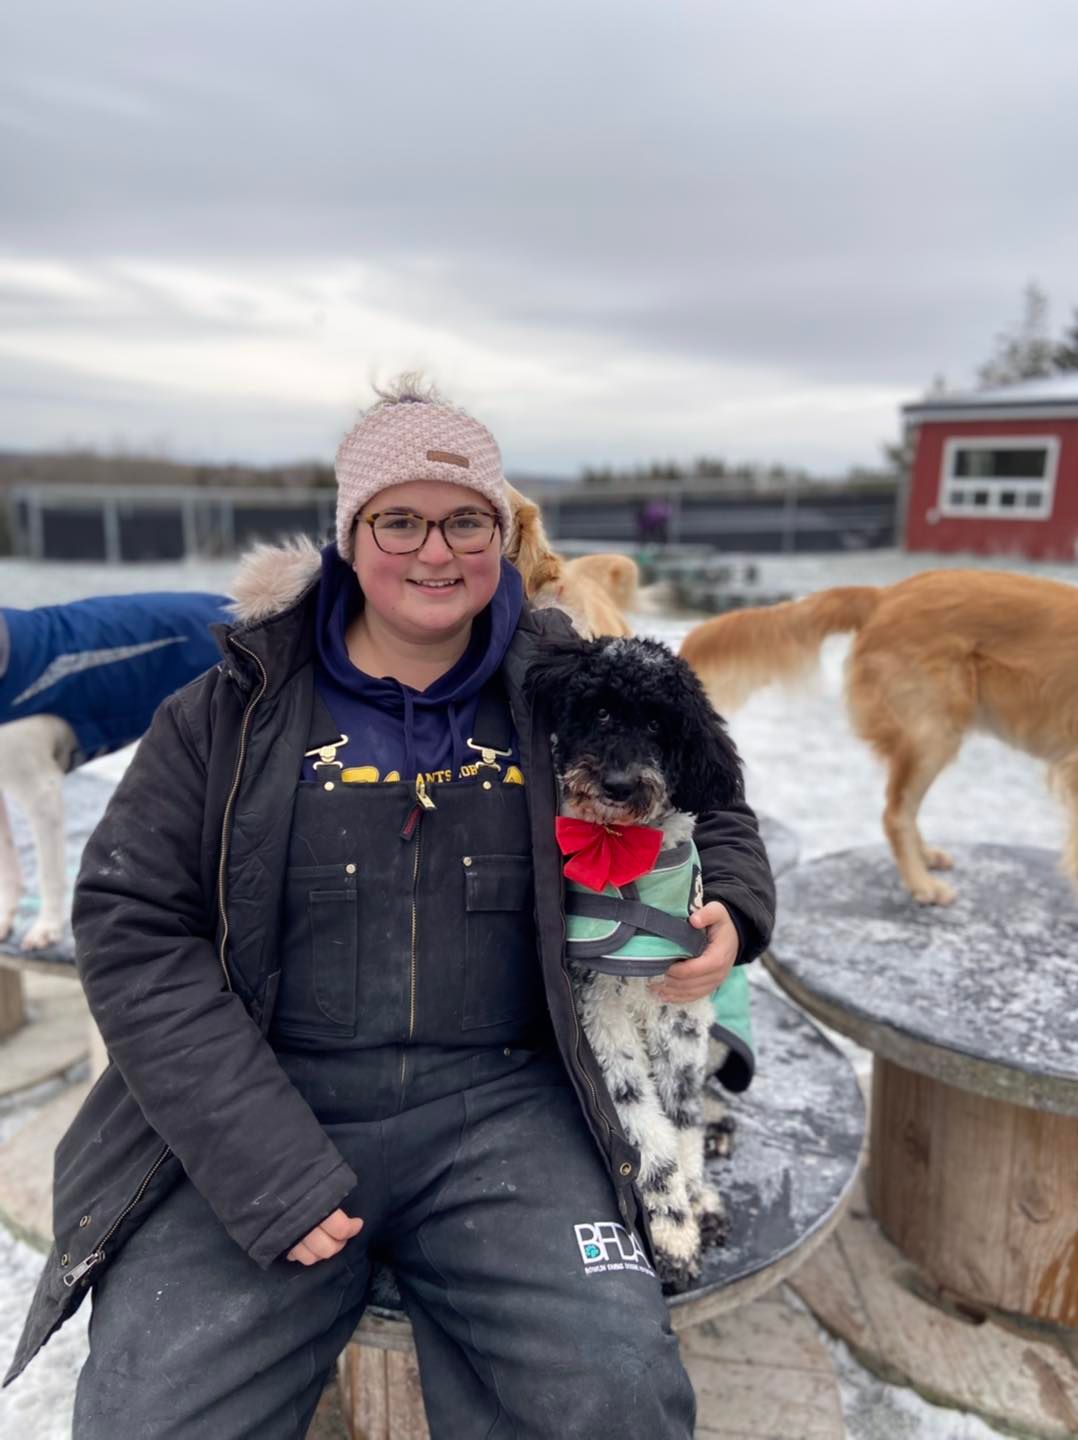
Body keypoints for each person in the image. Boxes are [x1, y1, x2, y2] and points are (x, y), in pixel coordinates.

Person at [5, 375, 775, 1438]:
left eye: (466, 520)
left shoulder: (562, 681)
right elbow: (134, 927)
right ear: (348, 536)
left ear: (502, 535)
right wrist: (262, 1164)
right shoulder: (231, 708)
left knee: (614, 1395)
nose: (434, 550)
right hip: (267, 1101)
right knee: (151, 1417)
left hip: (508, 1113)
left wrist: (730, 903)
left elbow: (713, 795)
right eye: (398, 519)